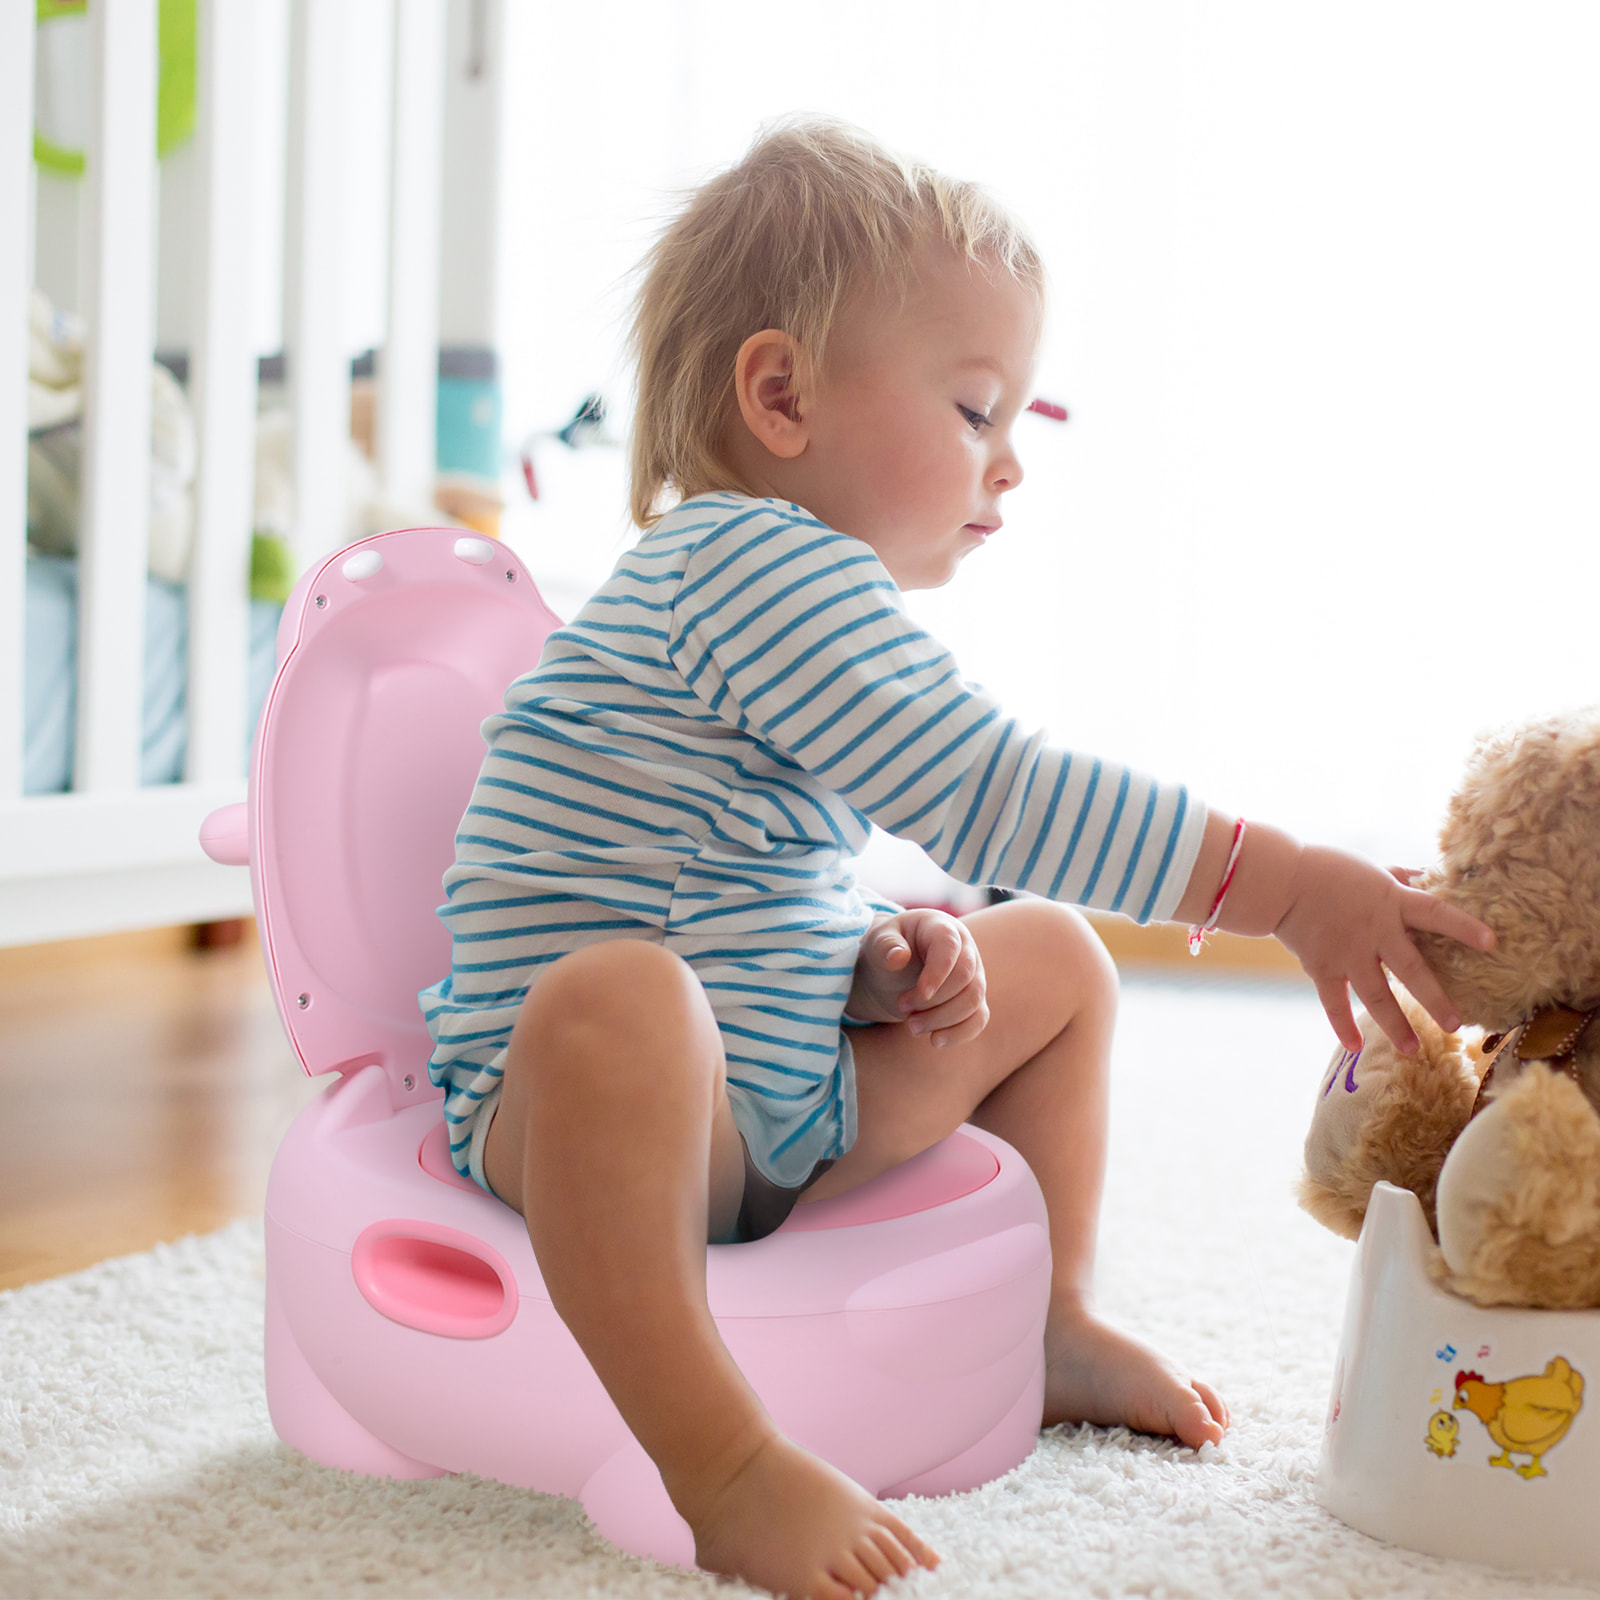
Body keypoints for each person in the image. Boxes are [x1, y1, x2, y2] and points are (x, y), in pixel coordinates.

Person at [420, 118, 1493, 1600]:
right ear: (781, 394)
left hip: (766, 1102)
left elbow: (742, 876)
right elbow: (990, 791)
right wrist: (1288, 886)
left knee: (1048, 953)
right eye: (978, 409)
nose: (1010, 463)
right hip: (581, 1122)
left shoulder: (801, 592)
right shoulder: (741, 563)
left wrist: (870, 963)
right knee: (624, 998)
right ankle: (722, 1464)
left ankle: (1047, 1323)